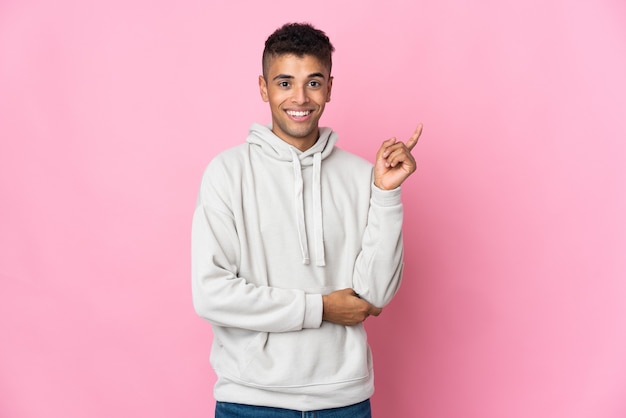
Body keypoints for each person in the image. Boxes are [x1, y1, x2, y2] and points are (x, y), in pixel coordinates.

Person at [192, 22, 422, 418]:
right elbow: (211, 293)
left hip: (344, 402)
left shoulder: (361, 175)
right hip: (250, 401)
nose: (299, 97)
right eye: (284, 83)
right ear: (263, 88)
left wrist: (386, 193)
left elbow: (377, 294)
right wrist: (320, 308)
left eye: (313, 83)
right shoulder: (227, 173)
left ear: (330, 88)